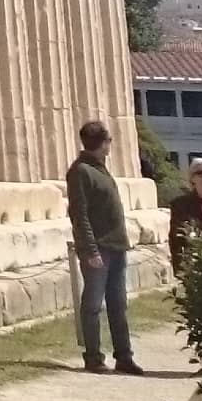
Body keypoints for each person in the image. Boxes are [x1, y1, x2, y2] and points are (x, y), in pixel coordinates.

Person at [66, 118, 140, 376]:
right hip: (99, 248)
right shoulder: (81, 171)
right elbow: (80, 214)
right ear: (102, 143)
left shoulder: (100, 168)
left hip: (116, 245)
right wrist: (90, 250)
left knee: (118, 304)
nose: (111, 145)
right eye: (109, 140)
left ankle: (124, 356)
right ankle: (93, 356)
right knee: (93, 305)